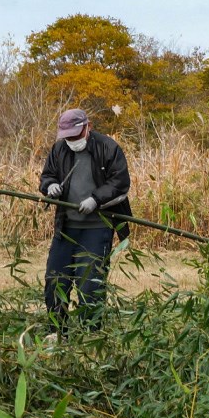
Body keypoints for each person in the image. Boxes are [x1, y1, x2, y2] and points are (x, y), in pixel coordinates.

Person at [37, 108, 131, 333]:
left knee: (89, 285)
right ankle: (57, 332)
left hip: (97, 228)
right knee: (55, 280)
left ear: (87, 127)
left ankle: (91, 335)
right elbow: (47, 174)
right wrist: (49, 186)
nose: (72, 141)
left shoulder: (108, 148)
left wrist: (95, 200)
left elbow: (120, 183)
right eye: (67, 136)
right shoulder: (59, 149)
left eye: (75, 135)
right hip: (66, 227)